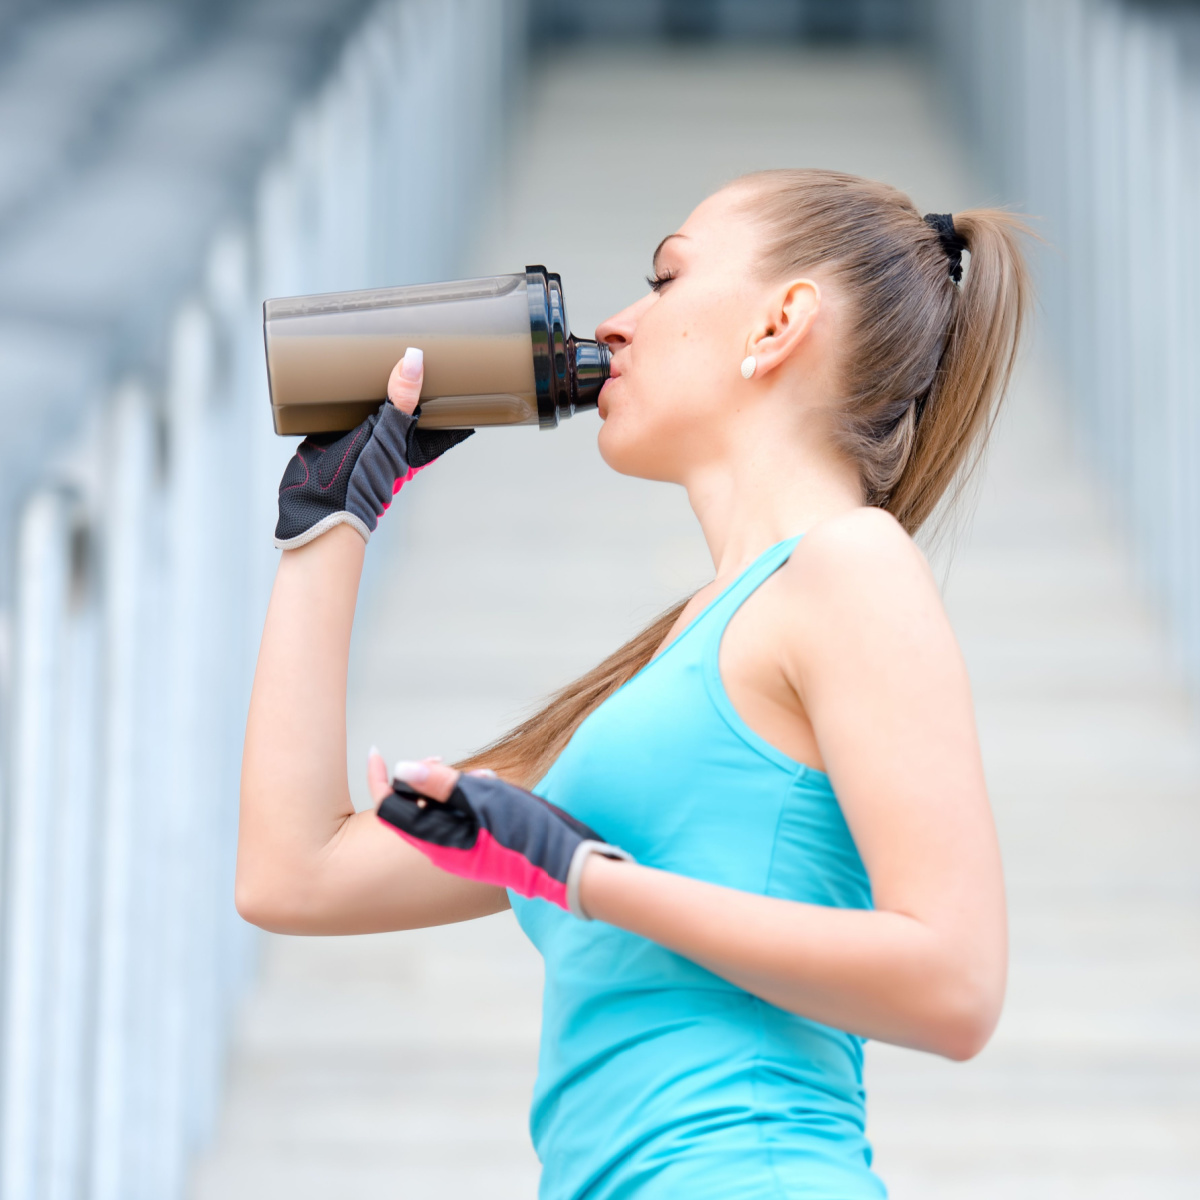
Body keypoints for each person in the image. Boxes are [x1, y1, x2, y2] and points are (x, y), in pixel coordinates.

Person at [238, 168, 1029, 1199]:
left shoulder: (852, 564)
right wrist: (332, 519)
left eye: (665, 280)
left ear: (782, 321)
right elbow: (293, 876)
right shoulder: (660, 674)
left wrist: (588, 879)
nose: (615, 326)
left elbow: (955, 984)